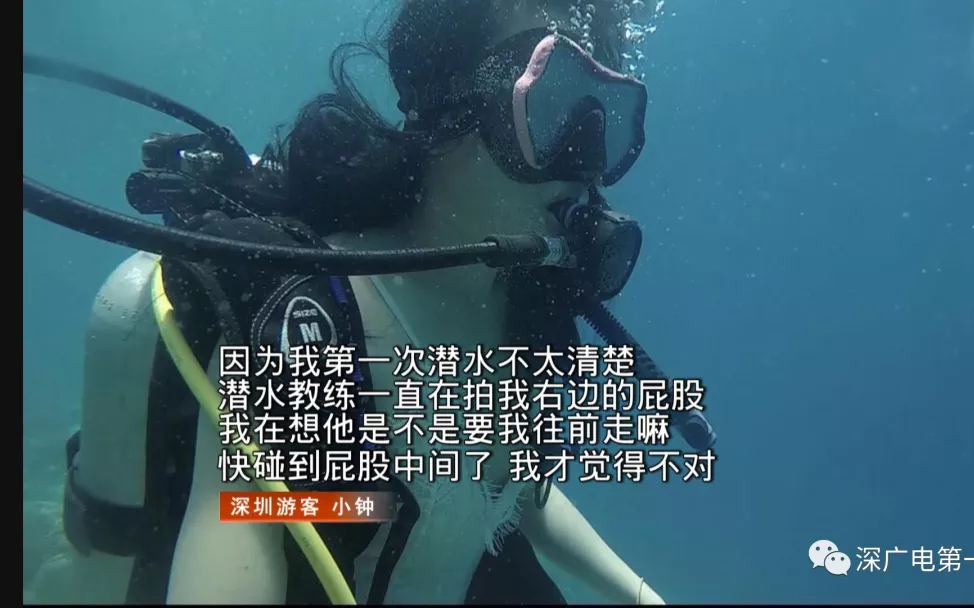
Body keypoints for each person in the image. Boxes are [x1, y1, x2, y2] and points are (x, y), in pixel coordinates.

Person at [48, 0, 668, 605]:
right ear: (443, 99)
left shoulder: (525, 313)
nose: (586, 157)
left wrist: (642, 595)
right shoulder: (312, 318)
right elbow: (239, 518)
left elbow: (506, 486)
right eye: (550, 102)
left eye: (605, 115)